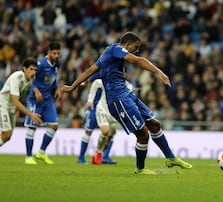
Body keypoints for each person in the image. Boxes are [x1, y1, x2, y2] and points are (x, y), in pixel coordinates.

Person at [62, 32, 192, 174]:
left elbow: (90, 71)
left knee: (154, 124)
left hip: (127, 95)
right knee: (143, 134)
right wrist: (159, 72)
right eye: (135, 47)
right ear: (127, 45)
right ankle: (140, 169)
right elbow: (137, 60)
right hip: (118, 100)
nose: (137, 50)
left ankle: (171, 158)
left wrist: (72, 87)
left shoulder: (108, 55)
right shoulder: (115, 49)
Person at [24, 42, 62, 165]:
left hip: (48, 100)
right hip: (35, 100)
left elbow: (54, 78)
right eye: (54, 53)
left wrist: (56, 88)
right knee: (32, 127)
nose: (56, 55)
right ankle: (28, 156)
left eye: (58, 53)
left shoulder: (57, 63)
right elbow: (31, 79)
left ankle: (41, 152)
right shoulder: (40, 64)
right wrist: (36, 91)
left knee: (54, 125)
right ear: (49, 52)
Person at [78, 72, 127, 165]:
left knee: (110, 132)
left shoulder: (117, 78)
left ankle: (104, 156)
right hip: (94, 108)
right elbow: (92, 81)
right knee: (88, 131)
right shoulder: (100, 73)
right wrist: (89, 98)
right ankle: (81, 157)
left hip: (108, 109)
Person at [0, 58, 42, 148]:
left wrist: (17, 110)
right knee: (6, 133)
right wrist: (31, 115)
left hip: (11, 108)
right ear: (24, 69)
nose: (33, 72)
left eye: (35, 70)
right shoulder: (17, 78)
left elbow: (20, 97)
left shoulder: (30, 80)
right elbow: (15, 100)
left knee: (7, 136)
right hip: (2, 104)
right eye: (31, 69)